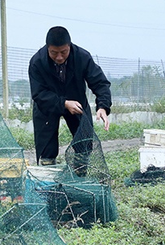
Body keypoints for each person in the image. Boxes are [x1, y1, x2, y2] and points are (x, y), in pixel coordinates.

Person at [28, 26, 112, 166]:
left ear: (70, 46)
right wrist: (64, 103)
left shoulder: (82, 57)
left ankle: (80, 174)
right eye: (54, 53)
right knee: (46, 149)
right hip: (47, 105)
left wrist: (103, 106)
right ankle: (48, 177)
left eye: (64, 52)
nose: (59, 57)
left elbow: (100, 83)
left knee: (84, 143)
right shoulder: (37, 62)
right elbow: (38, 94)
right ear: (47, 47)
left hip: (77, 103)